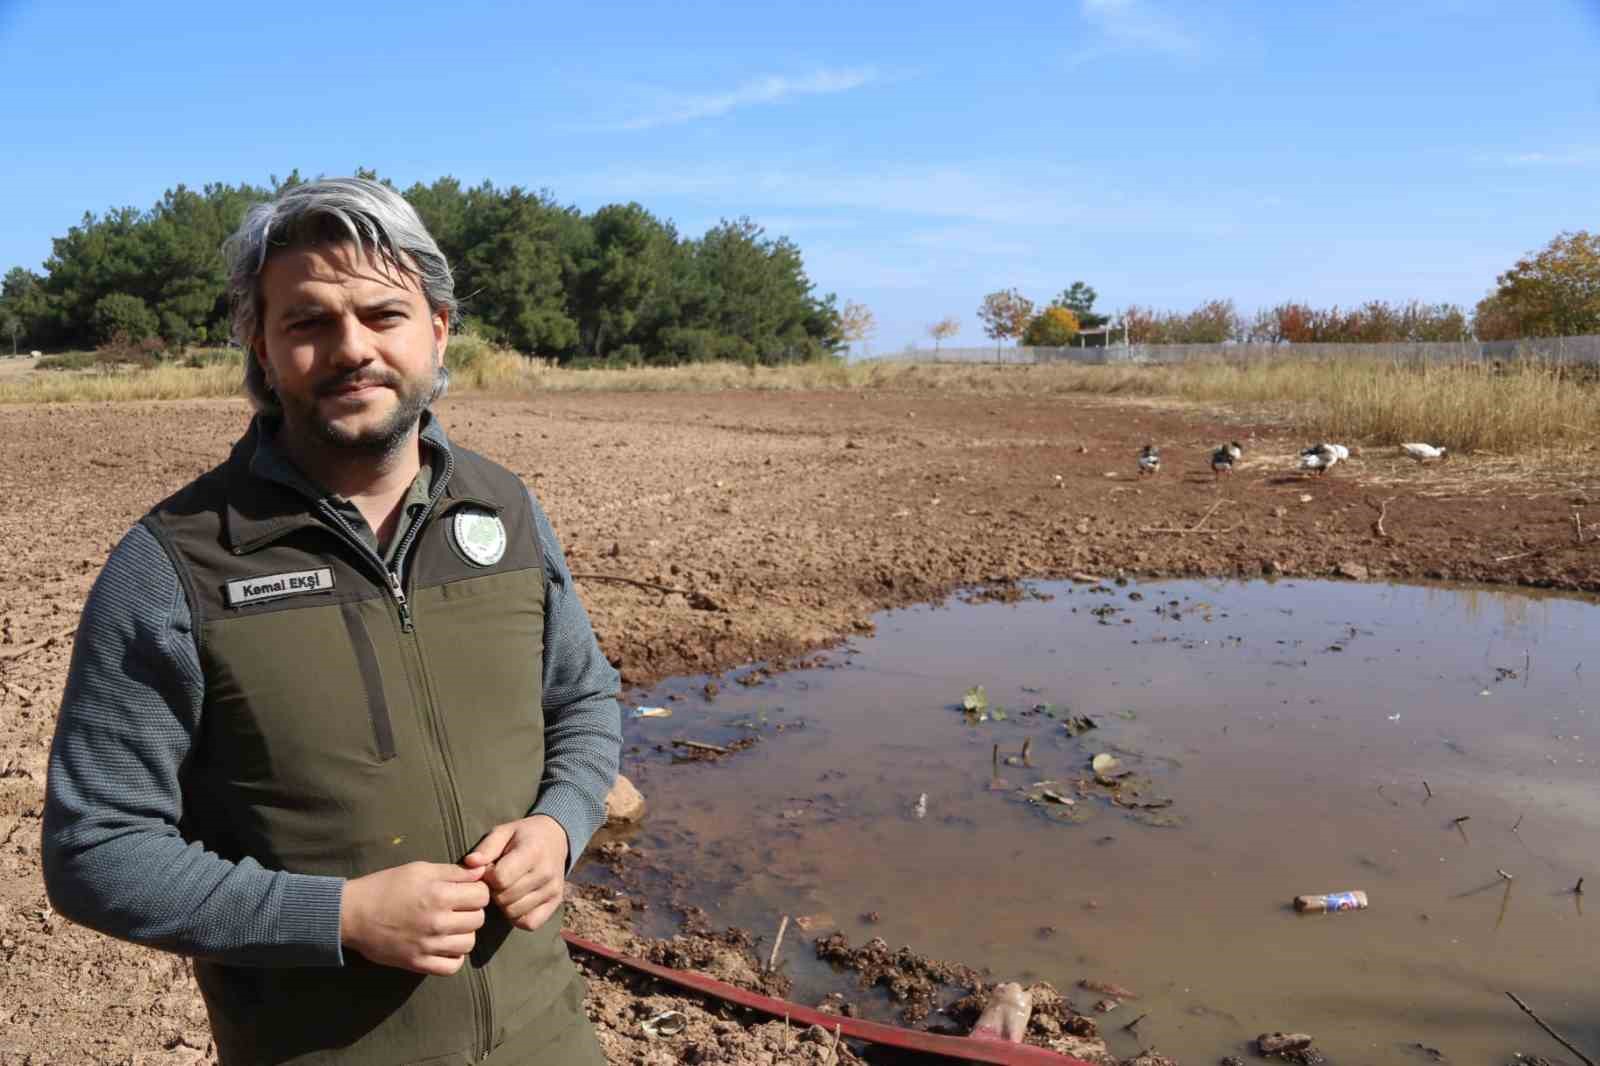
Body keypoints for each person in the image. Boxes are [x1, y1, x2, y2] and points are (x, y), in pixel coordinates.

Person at [42, 177, 623, 1065]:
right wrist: (341, 916)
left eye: (384, 314)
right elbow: (97, 852)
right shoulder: (176, 564)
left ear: (438, 327)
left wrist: (561, 823)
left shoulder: (505, 511)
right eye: (309, 322)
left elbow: (582, 703)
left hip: (549, 1040)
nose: (352, 349)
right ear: (262, 348)